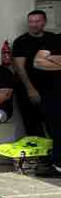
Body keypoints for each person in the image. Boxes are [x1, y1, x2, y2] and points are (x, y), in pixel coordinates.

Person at [12, 10, 55, 137]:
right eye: (31, 21)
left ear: (44, 22)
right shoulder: (21, 41)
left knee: (53, 122)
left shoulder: (54, 38)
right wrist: (31, 89)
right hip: (28, 88)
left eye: (37, 21)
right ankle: (37, 156)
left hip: (51, 88)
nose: (34, 24)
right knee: (32, 124)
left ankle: (54, 154)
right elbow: (19, 68)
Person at [34, 36, 61, 174]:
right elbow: (38, 62)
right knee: (56, 130)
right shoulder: (55, 39)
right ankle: (57, 165)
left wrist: (52, 58)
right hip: (55, 95)